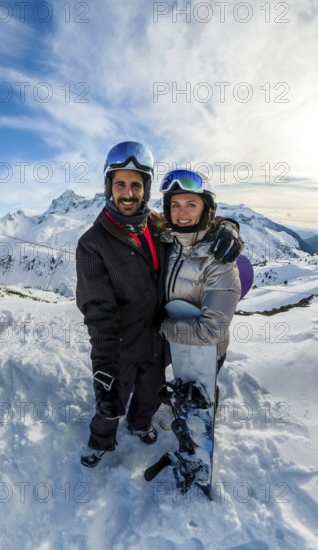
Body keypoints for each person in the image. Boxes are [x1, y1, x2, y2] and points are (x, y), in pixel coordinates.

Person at [76, 141, 167, 468]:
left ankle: (141, 425)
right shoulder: (93, 244)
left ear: (145, 189)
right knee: (111, 401)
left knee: (151, 393)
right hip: (121, 346)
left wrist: (227, 227)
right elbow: (98, 313)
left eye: (136, 185)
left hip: (157, 339)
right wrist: (104, 372)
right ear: (109, 187)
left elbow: (196, 225)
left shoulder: (158, 226)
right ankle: (100, 441)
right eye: (120, 184)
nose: (128, 193)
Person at [157, 169, 242, 376]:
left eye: (191, 205)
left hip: (206, 350)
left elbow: (212, 331)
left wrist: (161, 328)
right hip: (172, 342)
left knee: (200, 399)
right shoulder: (165, 242)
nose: (181, 213)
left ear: (206, 210)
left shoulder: (218, 259)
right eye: (175, 205)